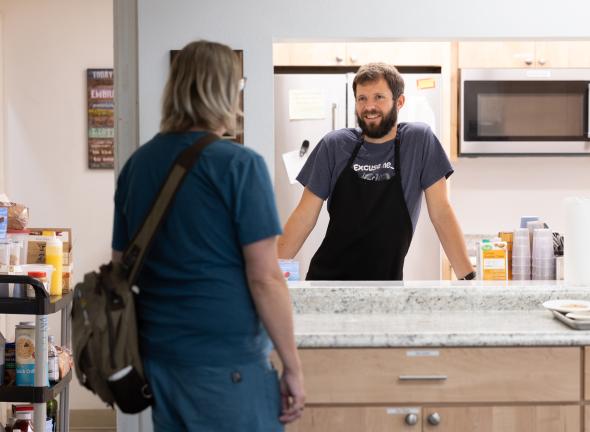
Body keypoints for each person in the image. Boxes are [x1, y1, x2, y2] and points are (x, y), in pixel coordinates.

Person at [111, 40, 305, 431]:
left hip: (161, 360)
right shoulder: (240, 164)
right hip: (226, 363)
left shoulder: (138, 164)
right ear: (225, 91)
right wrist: (293, 366)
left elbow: (120, 266)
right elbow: (265, 278)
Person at [278, 62, 474, 281]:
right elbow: (304, 217)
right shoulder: (335, 145)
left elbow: (441, 214)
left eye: (379, 97)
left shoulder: (418, 141)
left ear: (399, 102)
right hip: (326, 284)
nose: (369, 106)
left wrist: (468, 280)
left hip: (387, 288)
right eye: (362, 98)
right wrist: (267, 274)